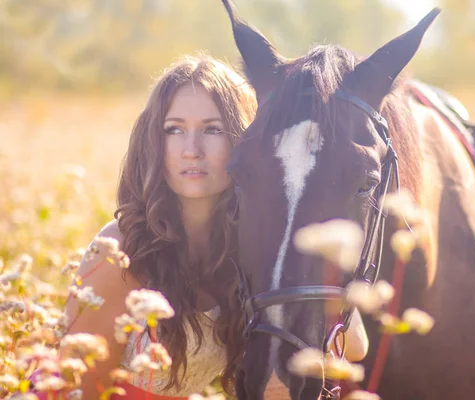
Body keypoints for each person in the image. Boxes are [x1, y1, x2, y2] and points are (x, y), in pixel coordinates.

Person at [47, 53, 368, 400]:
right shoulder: (119, 253)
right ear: (155, 140)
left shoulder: (247, 250)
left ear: (243, 144)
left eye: (213, 129)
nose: (192, 150)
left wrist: (308, 245)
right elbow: (74, 391)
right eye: (175, 130)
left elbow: (356, 347)